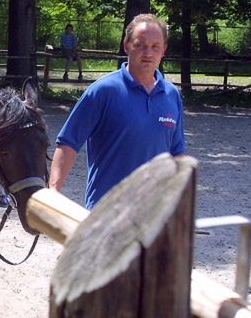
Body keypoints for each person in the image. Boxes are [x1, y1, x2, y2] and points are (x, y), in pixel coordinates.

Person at [48, 14, 185, 209]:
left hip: (154, 215)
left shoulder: (171, 95)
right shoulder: (103, 91)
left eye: (155, 46)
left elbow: (176, 152)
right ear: (126, 45)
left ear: (164, 50)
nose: (148, 52)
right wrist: (53, 191)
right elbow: (69, 142)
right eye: (140, 44)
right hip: (106, 213)